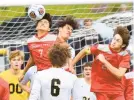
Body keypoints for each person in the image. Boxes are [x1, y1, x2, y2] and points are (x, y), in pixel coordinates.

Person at [19, 15, 78, 93]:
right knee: (24, 85)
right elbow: (32, 58)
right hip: (39, 74)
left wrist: (70, 66)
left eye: (46, 22)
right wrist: (23, 72)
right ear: (36, 27)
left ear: (49, 29)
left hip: (52, 74)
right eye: (41, 22)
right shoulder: (30, 41)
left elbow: (67, 48)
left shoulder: (53, 38)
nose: (43, 23)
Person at [72, 26, 131, 100]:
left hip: (117, 90)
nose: (114, 42)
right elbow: (85, 50)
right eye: (114, 39)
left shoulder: (125, 55)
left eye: (118, 41)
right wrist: (71, 64)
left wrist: (104, 61)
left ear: (123, 45)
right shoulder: (101, 48)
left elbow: (119, 74)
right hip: (101, 89)